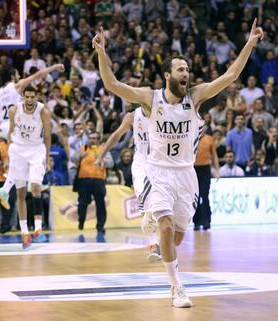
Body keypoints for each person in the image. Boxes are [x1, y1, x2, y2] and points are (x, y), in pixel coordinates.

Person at [93, 19, 263, 308]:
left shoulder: (195, 97)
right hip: (158, 172)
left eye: (187, 69)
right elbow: (112, 84)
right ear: (167, 75)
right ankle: (177, 288)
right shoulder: (150, 98)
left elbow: (231, 75)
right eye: (180, 69)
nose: (186, 73)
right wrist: (100, 52)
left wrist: (249, 42)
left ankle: (165, 253)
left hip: (186, 174)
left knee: (178, 236)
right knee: (167, 228)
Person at [95, 106, 162, 263]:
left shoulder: (163, 112)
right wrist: (102, 155)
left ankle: (164, 240)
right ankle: (153, 245)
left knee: (161, 207)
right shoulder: (132, 116)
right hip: (141, 164)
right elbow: (117, 135)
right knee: (145, 206)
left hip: (161, 163)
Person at [0, 64, 65, 207]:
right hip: (15, 125)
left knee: (20, 160)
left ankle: (25, 184)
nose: (20, 76)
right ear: (13, 75)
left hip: (4, 125)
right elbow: (37, 75)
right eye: (17, 73)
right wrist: (55, 67)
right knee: (36, 149)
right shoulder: (16, 86)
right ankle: (32, 182)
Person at [0, 86, 51, 249]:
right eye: (26, 97)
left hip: (36, 149)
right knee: (20, 193)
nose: (29, 100)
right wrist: (7, 156)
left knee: (35, 187)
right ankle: (24, 233)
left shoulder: (44, 112)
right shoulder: (15, 110)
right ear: (22, 97)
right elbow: (10, 133)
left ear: (37, 97)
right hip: (19, 149)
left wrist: (47, 158)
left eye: (32, 97)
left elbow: (48, 136)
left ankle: (37, 228)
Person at [72, 131, 113, 235]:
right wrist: (80, 156)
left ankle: (100, 226)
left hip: (99, 180)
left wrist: (101, 158)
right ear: (88, 139)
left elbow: (111, 164)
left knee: (100, 204)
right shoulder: (83, 148)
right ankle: (81, 220)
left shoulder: (103, 150)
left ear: (99, 140)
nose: (93, 140)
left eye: (95, 138)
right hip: (84, 180)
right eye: (91, 138)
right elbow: (72, 159)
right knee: (82, 203)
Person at [193, 127, 220, 231]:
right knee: (195, 196)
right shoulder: (191, 138)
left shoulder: (209, 139)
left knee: (204, 195)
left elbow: (214, 155)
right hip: (193, 169)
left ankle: (206, 221)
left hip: (205, 169)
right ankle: (196, 222)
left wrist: (217, 170)